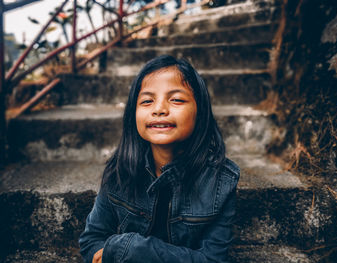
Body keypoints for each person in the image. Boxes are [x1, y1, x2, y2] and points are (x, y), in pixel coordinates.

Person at [79, 55, 240, 263]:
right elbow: (91, 240)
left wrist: (132, 250)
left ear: (200, 111)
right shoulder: (119, 171)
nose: (159, 109)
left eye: (176, 100)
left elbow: (214, 259)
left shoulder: (221, 181)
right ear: (133, 114)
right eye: (147, 101)